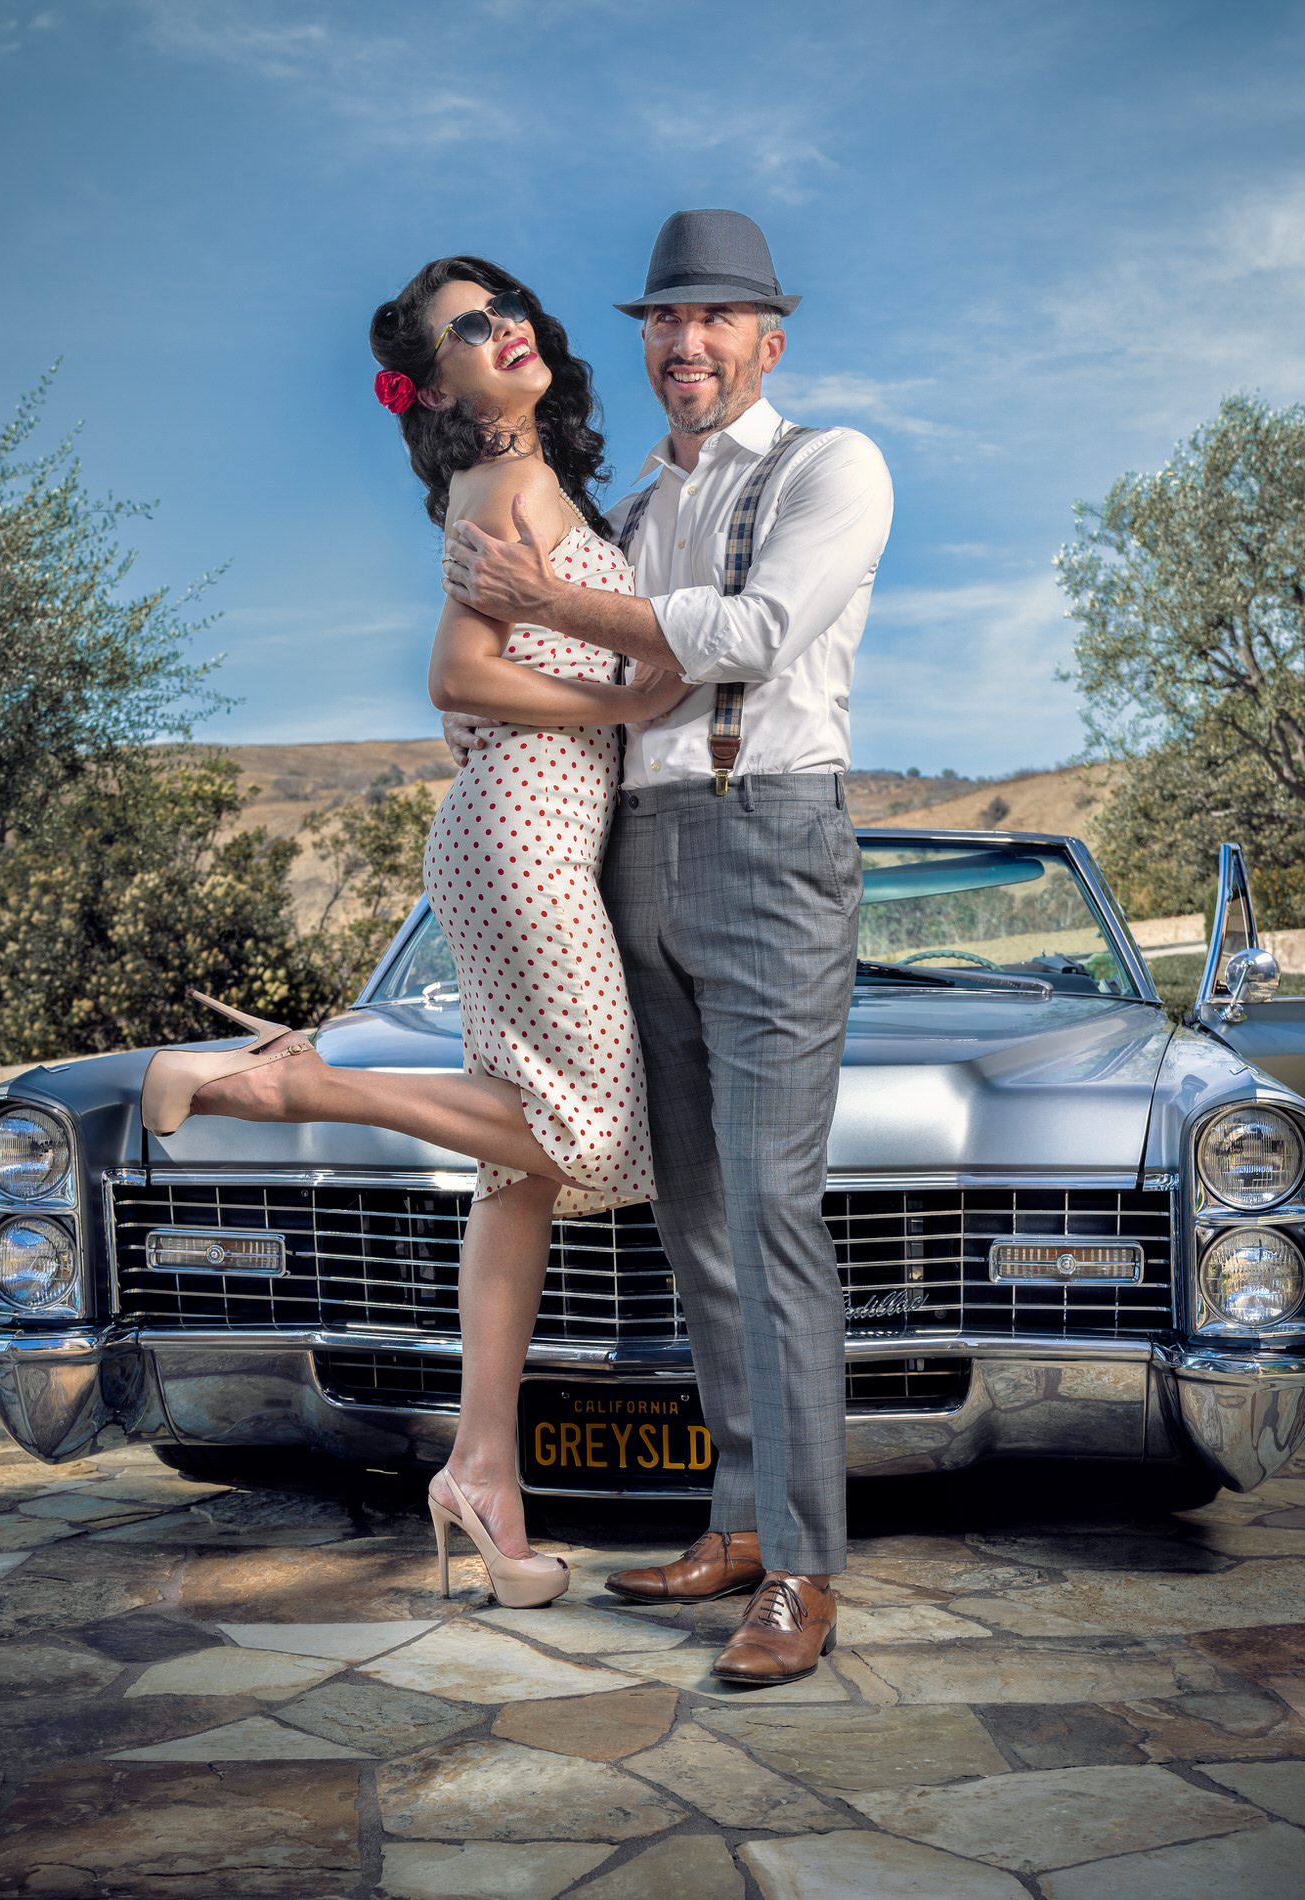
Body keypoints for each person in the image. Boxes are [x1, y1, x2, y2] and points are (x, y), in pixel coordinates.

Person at [139, 255, 687, 1610]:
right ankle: (287, 1083)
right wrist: (629, 707)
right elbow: (457, 673)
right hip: (524, 833)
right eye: (463, 329)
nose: (499, 331)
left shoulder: (526, 479)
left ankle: (481, 1481)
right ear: (434, 380)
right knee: (606, 1146)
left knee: (522, 1174)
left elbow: (500, 665)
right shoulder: (497, 481)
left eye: (504, 309)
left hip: (518, 827)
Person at [441, 210, 894, 1683]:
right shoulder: (628, 505)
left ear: (770, 336)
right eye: (662, 320)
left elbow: (751, 632)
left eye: (714, 319)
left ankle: (804, 1573)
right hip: (630, 849)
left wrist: (554, 607)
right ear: (642, 341)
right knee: (693, 1215)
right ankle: (742, 1524)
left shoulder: (831, 466)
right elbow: (551, 670)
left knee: (769, 1209)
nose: (684, 344)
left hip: (770, 841)